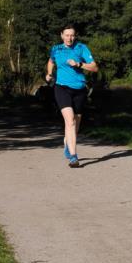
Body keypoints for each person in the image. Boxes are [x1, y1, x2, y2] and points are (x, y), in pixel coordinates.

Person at [45, 22, 98, 168]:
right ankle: (74, 157)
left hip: (79, 89)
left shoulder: (81, 48)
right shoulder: (56, 49)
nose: (70, 38)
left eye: (72, 35)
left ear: (75, 36)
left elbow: (94, 67)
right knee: (70, 121)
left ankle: (67, 142)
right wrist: (49, 74)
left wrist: (79, 64)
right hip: (61, 88)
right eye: (67, 35)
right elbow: (50, 61)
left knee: (76, 122)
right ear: (61, 35)